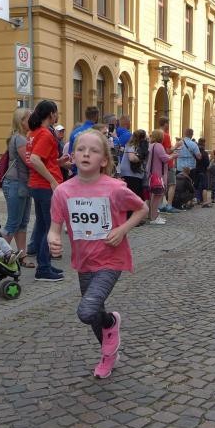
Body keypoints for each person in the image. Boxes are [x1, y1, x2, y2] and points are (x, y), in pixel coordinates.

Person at [48, 129, 148, 379]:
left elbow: (142, 209)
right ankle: (108, 353)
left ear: (103, 160)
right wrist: (54, 239)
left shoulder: (115, 189)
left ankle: (111, 323)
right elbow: (54, 227)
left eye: (93, 151)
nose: (86, 154)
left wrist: (122, 230)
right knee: (94, 314)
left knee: (86, 311)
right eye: (81, 149)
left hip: (111, 259)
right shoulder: (63, 191)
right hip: (84, 261)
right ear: (72, 156)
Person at [26, 100, 68, 281]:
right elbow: (35, 159)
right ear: (51, 114)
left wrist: (58, 162)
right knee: (51, 227)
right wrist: (52, 181)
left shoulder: (33, 133)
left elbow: (41, 160)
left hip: (37, 185)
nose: (57, 115)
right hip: (45, 187)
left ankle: (45, 263)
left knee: (43, 225)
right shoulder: (45, 133)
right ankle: (43, 268)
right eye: (56, 112)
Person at [2, 107, 34, 268]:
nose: (32, 121)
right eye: (29, 118)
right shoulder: (20, 139)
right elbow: (30, 162)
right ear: (21, 122)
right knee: (13, 223)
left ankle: (22, 256)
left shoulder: (23, 137)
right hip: (16, 184)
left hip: (22, 184)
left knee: (22, 223)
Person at [145, 129, 177, 225]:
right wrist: (173, 156)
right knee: (157, 197)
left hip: (151, 174)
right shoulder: (158, 146)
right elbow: (164, 158)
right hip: (158, 175)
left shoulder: (151, 145)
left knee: (153, 196)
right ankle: (154, 218)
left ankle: (152, 216)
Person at [157, 117, 181, 213]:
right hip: (168, 162)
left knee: (162, 184)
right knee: (172, 184)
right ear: (165, 124)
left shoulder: (156, 134)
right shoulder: (165, 135)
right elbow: (168, 151)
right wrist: (177, 145)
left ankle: (160, 205)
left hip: (159, 163)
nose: (169, 125)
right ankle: (169, 205)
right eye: (168, 123)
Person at [119, 129, 147, 210]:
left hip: (130, 173)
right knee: (134, 195)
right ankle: (132, 214)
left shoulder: (130, 145)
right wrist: (141, 157)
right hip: (131, 174)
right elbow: (132, 158)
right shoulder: (133, 146)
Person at [195, 138, 211, 207]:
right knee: (204, 187)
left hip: (196, 171)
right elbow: (207, 163)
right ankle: (204, 201)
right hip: (203, 171)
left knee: (197, 186)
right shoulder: (205, 153)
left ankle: (198, 199)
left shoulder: (195, 152)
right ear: (204, 143)